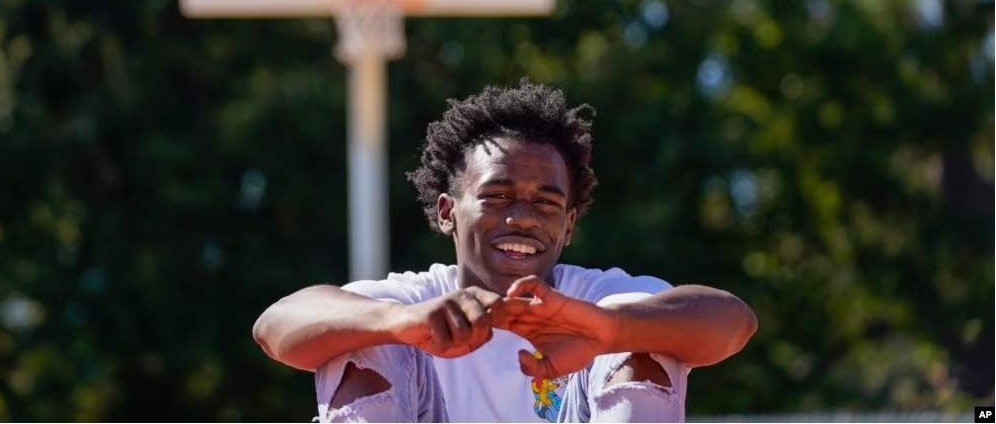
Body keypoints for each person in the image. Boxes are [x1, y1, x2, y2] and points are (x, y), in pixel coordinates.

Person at [253, 79, 758, 423]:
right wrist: (397, 323)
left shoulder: (595, 296)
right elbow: (275, 327)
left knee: (641, 327)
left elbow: (734, 320)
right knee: (360, 332)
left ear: (568, 225)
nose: (523, 218)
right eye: (497, 197)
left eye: (546, 203)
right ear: (448, 212)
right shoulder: (417, 298)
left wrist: (609, 331)